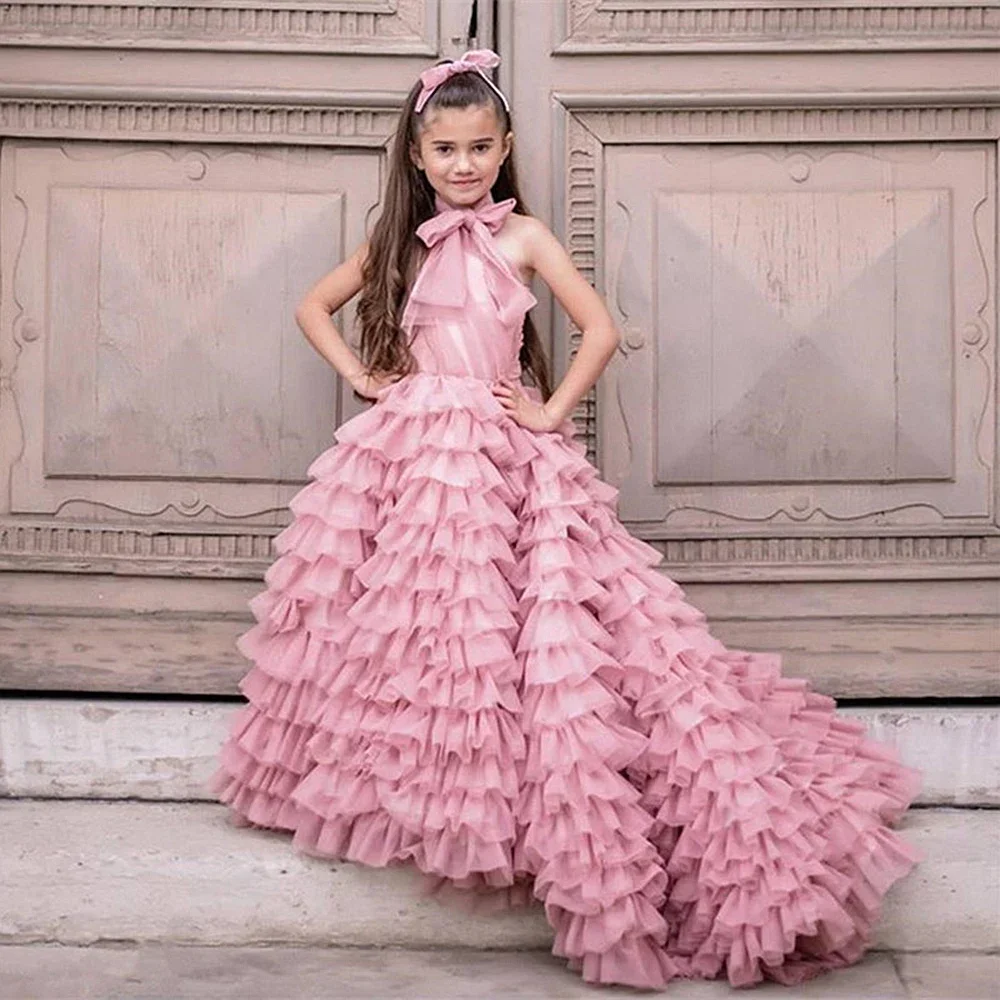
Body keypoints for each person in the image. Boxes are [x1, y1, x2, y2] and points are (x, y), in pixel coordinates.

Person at [208, 48, 924, 991]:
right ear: (418, 157)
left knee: (527, 622)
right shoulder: (399, 237)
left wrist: (549, 412)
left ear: (504, 150)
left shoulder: (526, 239)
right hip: (417, 442)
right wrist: (361, 377)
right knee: (422, 619)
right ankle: (434, 791)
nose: (462, 166)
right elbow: (312, 305)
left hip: (505, 449)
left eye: (478, 149)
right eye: (444, 150)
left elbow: (601, 330)